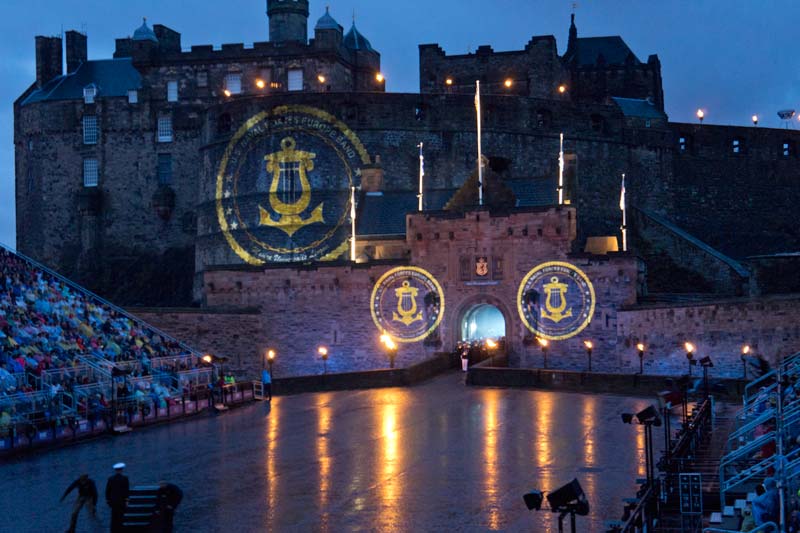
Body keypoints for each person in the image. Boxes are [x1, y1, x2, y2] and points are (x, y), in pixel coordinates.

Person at [105, 462, 130, 532]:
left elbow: (107, 490)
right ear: (121, 470)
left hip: (113, 501)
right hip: (121, 501)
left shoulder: (110, 479)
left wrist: (108, 500)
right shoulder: (125, 478)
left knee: (114, 517)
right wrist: (127, 500)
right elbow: (126, 490)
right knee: (121, 516)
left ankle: (114, 530)